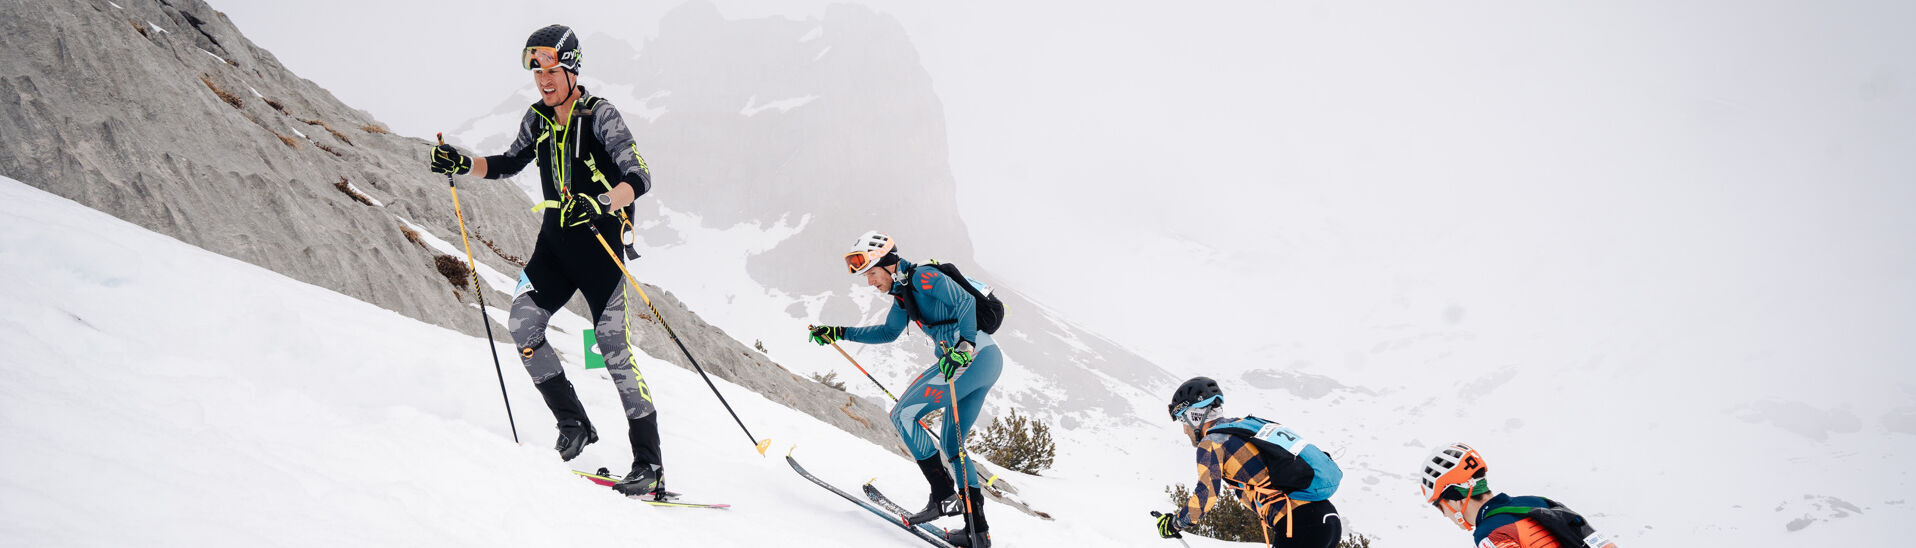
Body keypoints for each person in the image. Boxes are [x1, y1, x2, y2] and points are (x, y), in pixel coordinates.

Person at [428, 24, 663, 497]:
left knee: (613, 351)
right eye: (538, 73)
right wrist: (462, 163)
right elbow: (508, 163)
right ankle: (574, 422)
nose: (544, 81)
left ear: (571, 68)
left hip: (600, 248)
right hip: (554, 248)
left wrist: (601, 202)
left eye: (552, 71)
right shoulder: (536, 118)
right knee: (522, 324)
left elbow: (639, 176)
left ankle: (649, 465)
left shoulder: (601, 115)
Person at [807, 231, 1004, 547]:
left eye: (871, 273)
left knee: (903, 414)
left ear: (887, 264)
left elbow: (966, 301)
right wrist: (838, 332)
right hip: (985, 360)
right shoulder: (904, 297)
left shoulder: (924, 277)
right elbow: (887, 333)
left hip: (972, 356)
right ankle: (976, 532)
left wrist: (964, 346)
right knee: (952, 445)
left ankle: (942, 497)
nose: (870, 282)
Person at [1158, 377, 1344, 548]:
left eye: (1183, 419)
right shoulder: (1244, 426)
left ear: (1195, 416)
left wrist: (1175, 523)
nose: (1184, 430)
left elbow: (1207, 495)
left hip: (1300, 525)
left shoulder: (1212, 442)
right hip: (1328, 520)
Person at [1419, 443, 1620, 548]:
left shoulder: (1488, 533)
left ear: (1456, 497)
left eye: (1439, 505)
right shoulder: (1539, 503)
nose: (1445, 514)